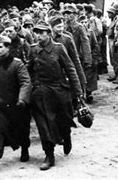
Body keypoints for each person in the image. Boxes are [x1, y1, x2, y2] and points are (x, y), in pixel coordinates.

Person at [27, 21, 82, 171]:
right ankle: (49, 155)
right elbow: (28, 70)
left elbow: (70, 69)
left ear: (49, 33)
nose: (38, 36)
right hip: (40, 92)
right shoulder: (33, 50)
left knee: (62, 120)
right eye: (36, 32)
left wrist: (78, 92)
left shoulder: (58, 48)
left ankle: (66, 134)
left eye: (41, 32)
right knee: (43, 124)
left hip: (58, 90)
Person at [0, 35, 32, 172]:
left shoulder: (17, 64)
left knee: (21, 129)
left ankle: (24, 149)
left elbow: (25, 82)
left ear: (8, 48)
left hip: (16, 104)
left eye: (0, 47)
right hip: (0, 104)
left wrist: (22, 99)